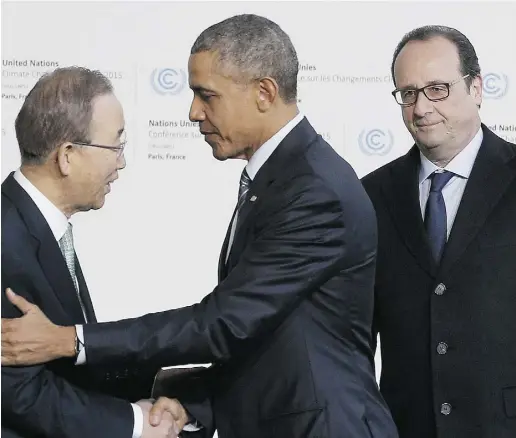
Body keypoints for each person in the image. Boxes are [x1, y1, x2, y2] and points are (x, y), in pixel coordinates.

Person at [1, 14, 398, 438]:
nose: (193, 112)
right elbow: (262, 337)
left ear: (264, 92)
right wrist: (180, 402)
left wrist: (73, 341)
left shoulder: (315, 191)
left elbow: (223, 324)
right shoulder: (284, 179)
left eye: (206, 95)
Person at [1, 66, 186, 438]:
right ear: (67, 155)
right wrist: (135, 426)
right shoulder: (7, 238)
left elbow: (68, 366)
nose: (121, 162)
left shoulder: (35, 225)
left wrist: (156, 391)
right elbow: (15, 391)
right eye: (115, 144)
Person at [361, 25, 516, 438]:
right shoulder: (371, 195)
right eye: (408, 93)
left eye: (437, 89)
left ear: (477, 87)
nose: (421, 107)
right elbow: (353, 331)